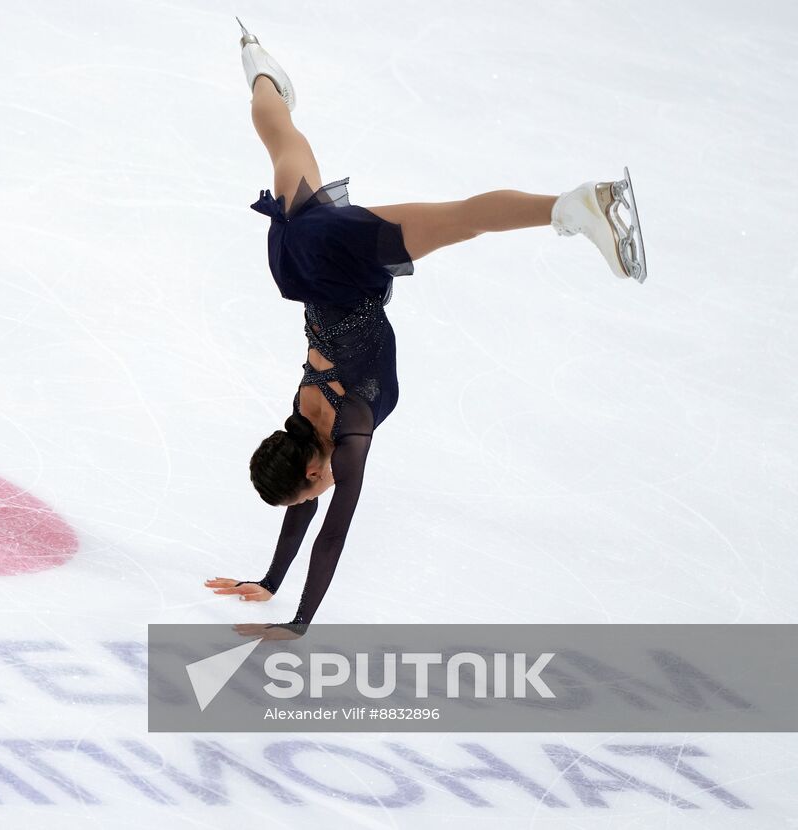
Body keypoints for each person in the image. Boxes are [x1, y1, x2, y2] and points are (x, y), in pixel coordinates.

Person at [205, 18, 648, 639]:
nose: (314, 498)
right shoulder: (305, 423)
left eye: (309, 492)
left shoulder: (351, 431)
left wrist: (299, 622)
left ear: (313, 471)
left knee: (462, 220)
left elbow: (333, 528)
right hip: (302, 264)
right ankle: (257, 62)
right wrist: (272, 582)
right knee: (282, 141)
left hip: (339, 265)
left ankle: (574, 206)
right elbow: (307, 509)